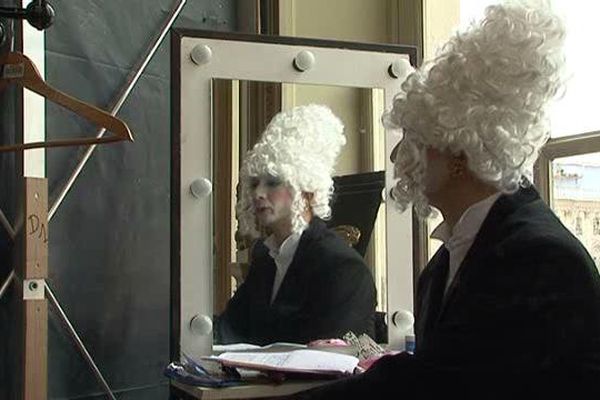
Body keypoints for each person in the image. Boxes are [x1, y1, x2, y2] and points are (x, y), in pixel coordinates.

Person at [290, 1, 600, 399]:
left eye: (414, 138)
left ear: (458, 151)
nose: (396, 156)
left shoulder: (540, 257)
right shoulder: (444, 265)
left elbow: (434, 385)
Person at [216, 104, 377, 346]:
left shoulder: (342, 267)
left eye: (273, 182)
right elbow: (232, 328)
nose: (259, 193)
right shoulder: (265, 257)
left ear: (307, 190)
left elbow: (329, 364)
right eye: (254, 183)